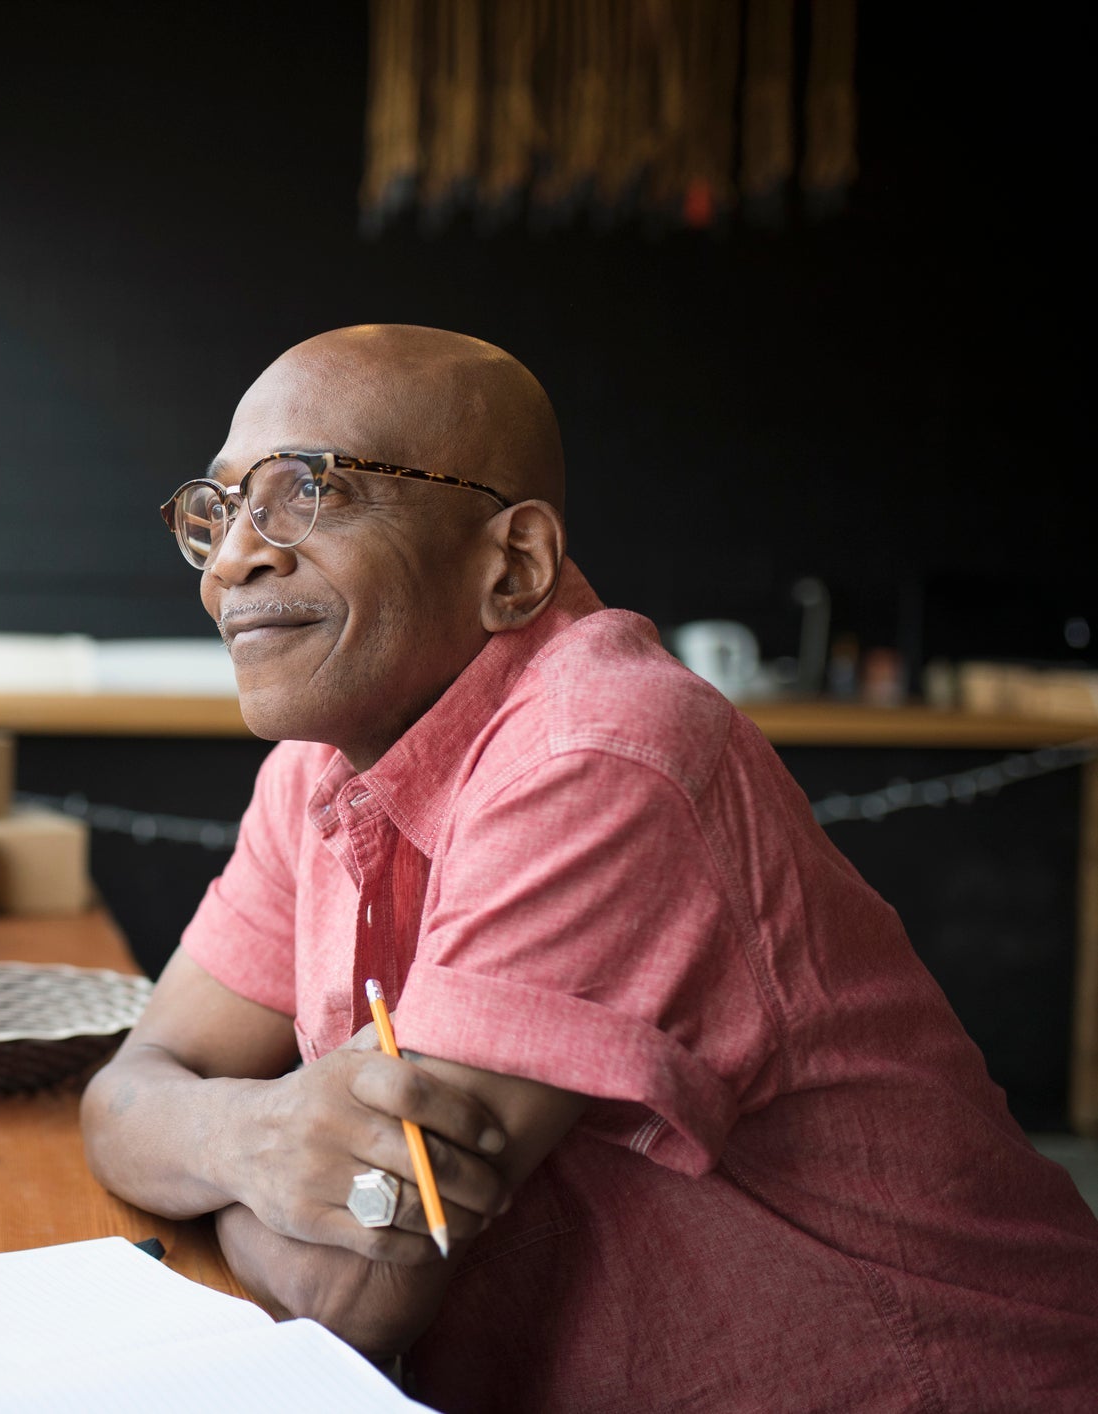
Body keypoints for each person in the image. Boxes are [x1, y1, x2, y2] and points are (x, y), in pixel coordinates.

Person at [80, 325, 1098, 1411]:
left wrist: (208, 1153)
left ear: (511, 564)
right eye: (219, 510)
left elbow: (357, 1285)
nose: (234, 558)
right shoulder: (317, 763)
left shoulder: (596, 751)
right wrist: (258, 1137)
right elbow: (130, 1084)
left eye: (306, 491)